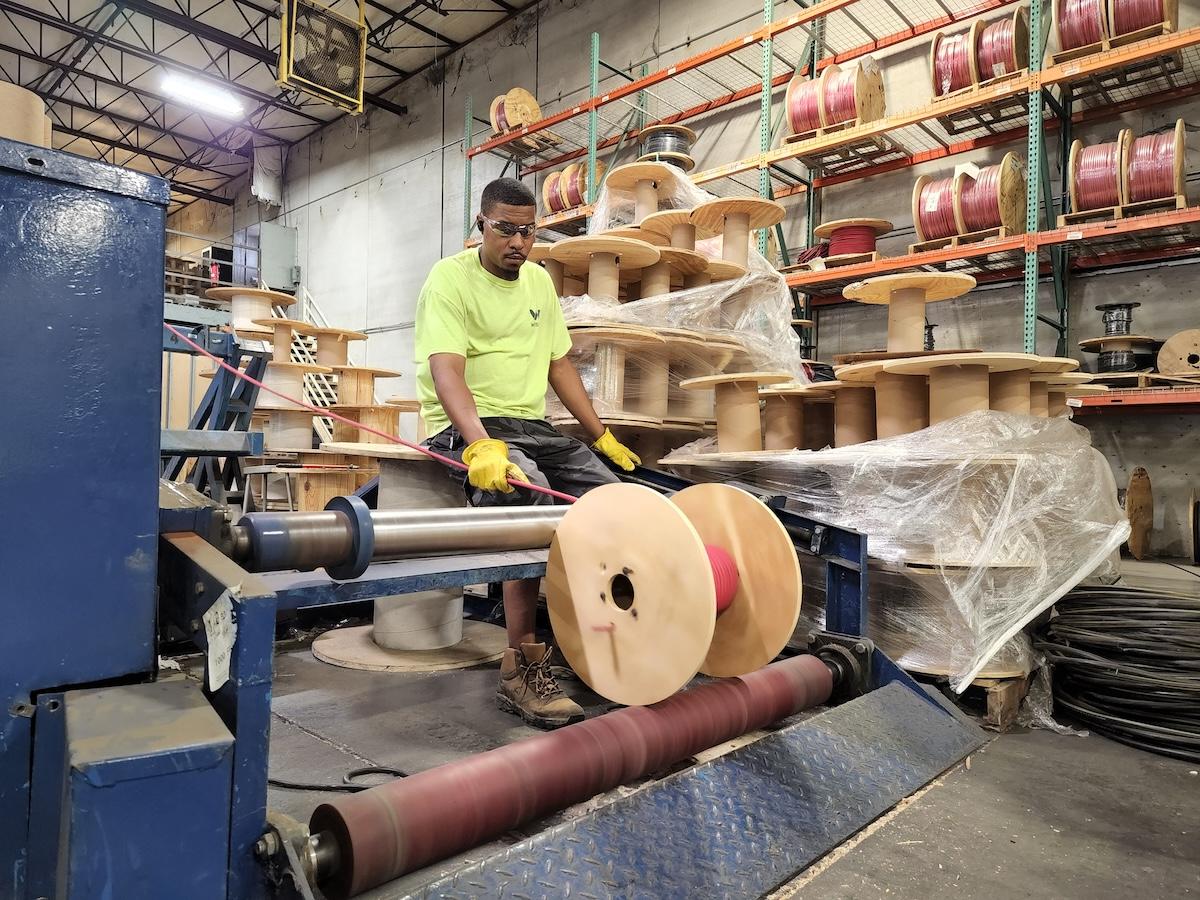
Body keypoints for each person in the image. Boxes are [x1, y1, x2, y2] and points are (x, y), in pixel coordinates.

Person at [414, 177, 641, 729]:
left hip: (531, 424)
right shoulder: (449, 279)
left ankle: (596, 633)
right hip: (468, 424)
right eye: (504, 230)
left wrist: (600, 436)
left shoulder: (539, 283)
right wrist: (480, 444)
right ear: (481, 227)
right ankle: (521, 667)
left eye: (526, 231)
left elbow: (559, 365)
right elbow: (447, 370)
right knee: (532, 508)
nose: (517, 242)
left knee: (618, 506)